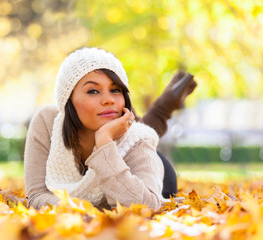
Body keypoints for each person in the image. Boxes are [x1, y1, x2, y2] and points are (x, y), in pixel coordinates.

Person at [24, 47, 197, 210]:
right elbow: (37, 195)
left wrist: (105, 141)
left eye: (116, 90)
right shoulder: (47, 122)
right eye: (93, 91)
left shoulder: (139, 141)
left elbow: (145, 207)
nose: (109, 99)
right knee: (129, 121)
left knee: (136, 132)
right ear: (67, 100)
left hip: (151, 176)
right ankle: (165, 104)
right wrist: (87, 208)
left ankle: (162, 107)